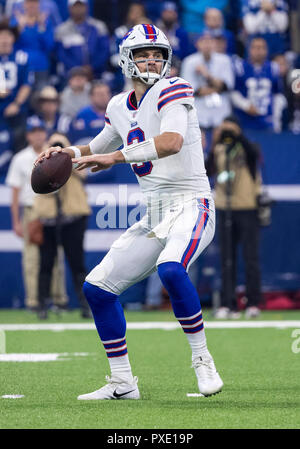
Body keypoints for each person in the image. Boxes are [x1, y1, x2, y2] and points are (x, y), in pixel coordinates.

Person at [36, 24, 223, 400]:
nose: (151, 60)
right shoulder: (119, 105)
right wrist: (66, 153)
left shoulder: (175, 87)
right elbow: (99, 145)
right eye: (143, 54)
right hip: (154, 214)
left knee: (171, 268)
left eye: (157, 54)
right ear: (126, 59)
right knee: (98, 288)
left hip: (192, 202)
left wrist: (115, 157)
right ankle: (122, 382)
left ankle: (203, 360)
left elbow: (171, 142)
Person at [5, 116, 68, 311]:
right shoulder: (20, 158)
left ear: (45, 133)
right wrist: (16, 221)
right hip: (32, 210)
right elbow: (15, 193)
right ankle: (33, 300)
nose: (38, 135)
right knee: (32, 257)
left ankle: (59, 299)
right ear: (28, 135)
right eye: (34, 132)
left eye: (40, 131)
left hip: (53, 207)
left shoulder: (55, 153)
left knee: (56, 255)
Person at [206, 116, 263, 319]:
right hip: (225, 207)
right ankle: (228, 304)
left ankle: (253, 303)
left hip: (247, 207)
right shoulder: (220, 149)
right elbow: (208, 170)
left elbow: (252, 155)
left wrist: (238, 136)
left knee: (250, 258)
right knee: (226, 259)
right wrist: (214, 143)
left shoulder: (249, 147)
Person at [33, 132, 92, 319]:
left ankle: (85, 306)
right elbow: (37, 181)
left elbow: (83, 174)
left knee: (77, 264)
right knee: (46, 264)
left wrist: (66, 156)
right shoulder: (41, 162)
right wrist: (50, 159)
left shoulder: (74, 162)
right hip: (48, 219)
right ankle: (41, 305)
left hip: (72, 218)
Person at [180, 30, 234, 151]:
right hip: (199, 110)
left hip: (220, 109)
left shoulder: (224, 60)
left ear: (214, 43)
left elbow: (226, 86)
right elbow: (192, 91)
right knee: (198, 143)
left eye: (210, 41)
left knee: (221, 144)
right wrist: (216, 87)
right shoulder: (189, 61)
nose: (207, 44)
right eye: (203, 41)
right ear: (197, 44)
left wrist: (207, 75)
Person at [231, 37, 285, 131]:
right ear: (250, 49)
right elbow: (233, 93)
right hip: (245, 119)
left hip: (267, 119)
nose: (259, 51)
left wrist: (276, 119)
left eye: (262, 48)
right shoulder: (240, 67)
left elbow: (278, 95)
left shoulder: (273, 68)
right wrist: (246, 105)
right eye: (256, 47)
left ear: (267, 50)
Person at [54, 0, 110, 84]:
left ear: (86, 7)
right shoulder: (62, 30)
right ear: (69, 8)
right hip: (70, 76)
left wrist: (92, 67)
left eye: (81, 6)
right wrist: (78, 70)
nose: (78, 9)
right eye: (75, 6)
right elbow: (61, 54)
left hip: (97, 73)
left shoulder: (99, 26)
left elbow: (104, 50)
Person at [0, 20, 33, 152]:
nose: (4, 40)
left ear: (13, 38)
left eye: (8, 36)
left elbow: (27, 84)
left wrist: (17, 104)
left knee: (18, 139)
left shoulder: (21, 57)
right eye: (1, 36)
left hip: (15, 107)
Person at [10, 0, 55, 91]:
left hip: (40, 66)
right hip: (21, 65)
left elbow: (49, 46)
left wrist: (41, 27)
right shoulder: (15, 22)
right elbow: (11, 46)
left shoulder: (45, 22)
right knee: (20, 93)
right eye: (29, 2)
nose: (31, 5)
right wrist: (19, 28)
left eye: (34, 2)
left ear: (39, 5)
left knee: (41, 95)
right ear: (24, 5)